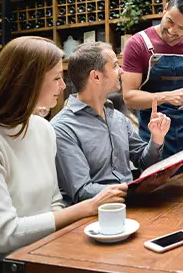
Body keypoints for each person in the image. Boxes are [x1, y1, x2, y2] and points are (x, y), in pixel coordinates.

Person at [0, 37, 127, 273]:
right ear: (27, 82)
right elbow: (5, 236)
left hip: (38, 251)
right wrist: (88, 207)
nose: (63, 86)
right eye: (56, 78)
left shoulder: (42, 129)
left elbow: (54, 203)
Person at [51, 42, 173, 206]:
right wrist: (134, 191)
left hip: (133, 206)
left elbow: (144, 163)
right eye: (115, 66)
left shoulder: (118, 118)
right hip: (94, 219)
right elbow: (82, 192)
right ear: (96, 76)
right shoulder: (62, 128)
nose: (122, 71)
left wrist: (157, 139)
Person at [121, 0, 183, 165]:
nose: (172, 31)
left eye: (181, 28)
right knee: (159, 191)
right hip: (156, 137)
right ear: (165, 9)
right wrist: (167, 96)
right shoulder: (138, 44)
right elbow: (129, 98)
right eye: (169, 21)